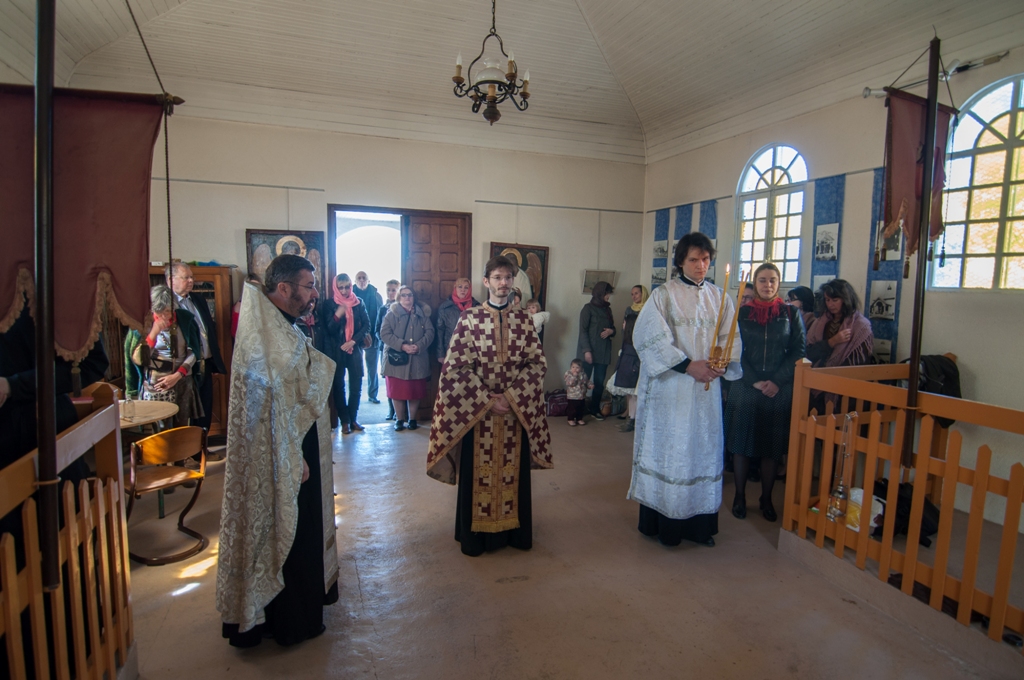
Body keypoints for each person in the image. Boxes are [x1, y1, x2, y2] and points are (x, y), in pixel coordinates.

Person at [217, 254, 339, 648]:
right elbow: (267, 406)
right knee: (289, 535)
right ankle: (288, 621)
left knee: (300, 533)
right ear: (283, 289)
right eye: (308, 286)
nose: (315, 293)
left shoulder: (276, 325)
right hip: (282, 456)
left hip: (294, 446)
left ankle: (298, 611)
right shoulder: (263, 337)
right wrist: (292, 456)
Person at [427, 255, 553, 557]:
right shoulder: (469, 319)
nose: (503, 283)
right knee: (477, 474)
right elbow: (455, 368)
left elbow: (537, 364)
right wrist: (486, 399)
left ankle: (514, 534)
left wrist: (510, 398)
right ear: (486, 282)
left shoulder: (523, 320)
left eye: (508, 277)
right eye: (497, 277)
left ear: (513, 282)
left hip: (514, 412)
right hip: (478, 414)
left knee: (513, 474)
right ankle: (475, 537)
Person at [628, 233, 741, 547]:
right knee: (673, 451)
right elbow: (648, 338)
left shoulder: (722, 297)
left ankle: (699, 527)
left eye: (706, 259)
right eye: (694, 259)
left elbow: (729, 338)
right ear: (680, 261)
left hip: (706, 394)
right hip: (672, 390)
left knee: (701, 451)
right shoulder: (664, 296)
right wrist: (688, 365)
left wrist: (721, 363)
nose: (701, 265)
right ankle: (666, 526)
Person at [724, 263, 806, 522]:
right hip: (746, 385)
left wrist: (777, 381)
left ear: (778, 284)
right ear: (755, 283)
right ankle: (739, 495)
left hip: (778, 388)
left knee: (771, 448)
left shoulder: (790, 314)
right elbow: (732, 349)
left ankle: (767, 498)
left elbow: (798, 350)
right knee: (742, 445)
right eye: (762, 280)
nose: (767, 285)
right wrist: (753, 380)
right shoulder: (741, 312)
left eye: (772, 280)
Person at [124, 285, 203, 428]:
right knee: (158, 429)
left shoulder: (185, 320)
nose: (164, 316)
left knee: (182, 428)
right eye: (159, 312)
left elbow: (194, 351)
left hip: (182, 380)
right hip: (156, 383)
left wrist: (178, 375)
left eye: (167, 311)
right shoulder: (142, 324)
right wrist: (154, 332)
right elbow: (138, 359)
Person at [167, 263, 226, 434]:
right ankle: (184, 455)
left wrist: (213, 359)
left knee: (204, 409)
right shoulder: (166, 304)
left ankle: (200, 453)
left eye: (192, 277)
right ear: (171, 280)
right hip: (179, 367)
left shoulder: (197, 299)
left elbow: (208, 330)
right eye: (186, 277)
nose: (191, 281)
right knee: (184, 413)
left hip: (204, 363)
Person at [805, 279, 874, 412]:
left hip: (844, 390)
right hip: (815, 381)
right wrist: (831, 342)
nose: (830, 304)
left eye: (835, 300)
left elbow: (859, 362)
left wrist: (831, 377)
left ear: (845, 299)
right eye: (827, 300)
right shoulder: (820, 322)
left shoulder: (861, 326)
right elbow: (808, 353)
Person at [379, 285, 434, 431]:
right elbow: (384, 334)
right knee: (397, 391)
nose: (407, 298)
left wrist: (419, 346)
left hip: (418, 359)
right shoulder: (391, 314)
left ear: (414, 297)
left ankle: (412, 419)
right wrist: (402, 346)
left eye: (410, 295)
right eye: (403, 295)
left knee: (414, 392)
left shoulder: (422, 314)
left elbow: (430, 333)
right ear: (398, 298)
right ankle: (399, 419)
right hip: (396, 360)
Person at [321, 273, 370, 434]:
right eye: (340, 287)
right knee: (339, 386)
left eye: (347, 287)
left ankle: (353, 418)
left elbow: (367, 326)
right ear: (336, 287)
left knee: (356, 386)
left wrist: (354, 341)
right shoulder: (329, 304)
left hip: (354, 349)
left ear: (351, 286)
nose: (344, 291)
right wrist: (337, 315)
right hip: (337, 350)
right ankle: (344, 421)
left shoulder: (358, 303)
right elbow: (328, 329)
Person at [607, 285, 649, 433]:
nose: (634, 296)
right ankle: (630, 417)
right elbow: (626, 330)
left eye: (636, 293)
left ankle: (634, 419)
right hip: (628, 347)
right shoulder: (629, 310)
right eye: (632, 294)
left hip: (636, 355)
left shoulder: (649, 309)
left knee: (635, 392)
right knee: (630, 392)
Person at [577, 281, 616, 421]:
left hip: (603, 353)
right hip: (588, 352)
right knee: (582, 384)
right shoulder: (587, 309)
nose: (608, 296)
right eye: (607, 293)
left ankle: (594, 410)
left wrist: (612, 331)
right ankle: (578, 412)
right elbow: (583, 332)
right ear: (600, 293)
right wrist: (587, 351)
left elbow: (613, 328)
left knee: (599, 383)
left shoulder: (607, 310)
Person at [353, 271, 384, 404]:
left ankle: (372, 394)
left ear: (368, 280)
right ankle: (355, 395)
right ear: (355, 281)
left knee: (372, 368)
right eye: (359, 278)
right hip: (355, 337)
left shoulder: (376, 295)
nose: (361, 280)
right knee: (355, 367)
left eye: (364, 278)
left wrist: (377, 335)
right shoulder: (351, 295)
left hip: (372, 336)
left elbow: (380, 317)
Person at [435, 277, 478, 364]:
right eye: (460, 287)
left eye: (466, 287)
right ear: (455, 288)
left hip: (471, 349)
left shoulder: (477, 306)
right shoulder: (445, 307)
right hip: (450, 349)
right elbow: (440, 331)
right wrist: (440, 354)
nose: (463, 290)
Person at [375, 279, 400, 421]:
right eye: (389, 290)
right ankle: (391, 410)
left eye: (393, 290)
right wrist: (385, 340)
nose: (391, 293)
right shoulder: (383, 309)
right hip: (385, 348)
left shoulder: (401, 308)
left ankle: (400, 412)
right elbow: (377, 329)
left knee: (399, 380)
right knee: (389, 380)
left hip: (399, 347)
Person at [563, 358, 593, 427]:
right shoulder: (568, 374)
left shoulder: (583, 374)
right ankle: (570, 419)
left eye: (577, 367)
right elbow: (569, 383)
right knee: (572, 408)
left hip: (581, 395)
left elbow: (586, 381)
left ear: (581, 368)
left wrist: (590, 385)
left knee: (581, 408)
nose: (575, 369)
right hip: (572, 396)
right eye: (573, 367)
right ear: (571, 367)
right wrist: (574, 376)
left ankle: (579, 418)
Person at [232, 273, 263, 337]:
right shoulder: (239, 305)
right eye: (252, 286)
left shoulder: (264, 304)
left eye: (257, 286)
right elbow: (234, 332)